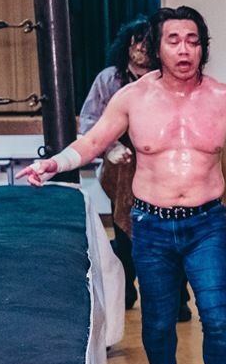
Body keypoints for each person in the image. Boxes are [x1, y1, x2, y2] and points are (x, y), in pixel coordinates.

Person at [21, 6, 226, 364]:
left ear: (203, 47)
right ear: (156, 46)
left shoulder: (223, 98)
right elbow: (94, 140)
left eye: (193, 40)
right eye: (174, 40)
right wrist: (55, 163)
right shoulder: (133, 98)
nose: (184, 49)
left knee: (221, 319)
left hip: (206, 224)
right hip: (151, 226)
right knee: (158, 323)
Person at [80, 17, 194, 321]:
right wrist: (111, 147)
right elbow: (90, 120)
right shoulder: (109, 79)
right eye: (136, 41)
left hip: (164, 169)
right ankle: (126, 292)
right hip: (123, 169)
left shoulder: (168, 78)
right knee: (125, 233)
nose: (141, 47)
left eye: (147, 41)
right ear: (127, 44)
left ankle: (177, 299)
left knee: (171, 233)